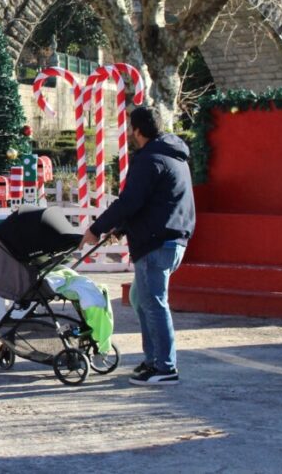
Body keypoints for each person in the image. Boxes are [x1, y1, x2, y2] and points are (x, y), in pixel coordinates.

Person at [80, 106, 195, 386]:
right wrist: (122, 228)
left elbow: (130, 202)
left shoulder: (149, 159)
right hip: (172, 238)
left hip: (156, 242)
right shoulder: (173, 156)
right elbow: (154, 202)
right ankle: (153, 360)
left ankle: (165, 367)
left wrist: (97, 229)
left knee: (154, 303)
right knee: (142, 302)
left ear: (137, 130)